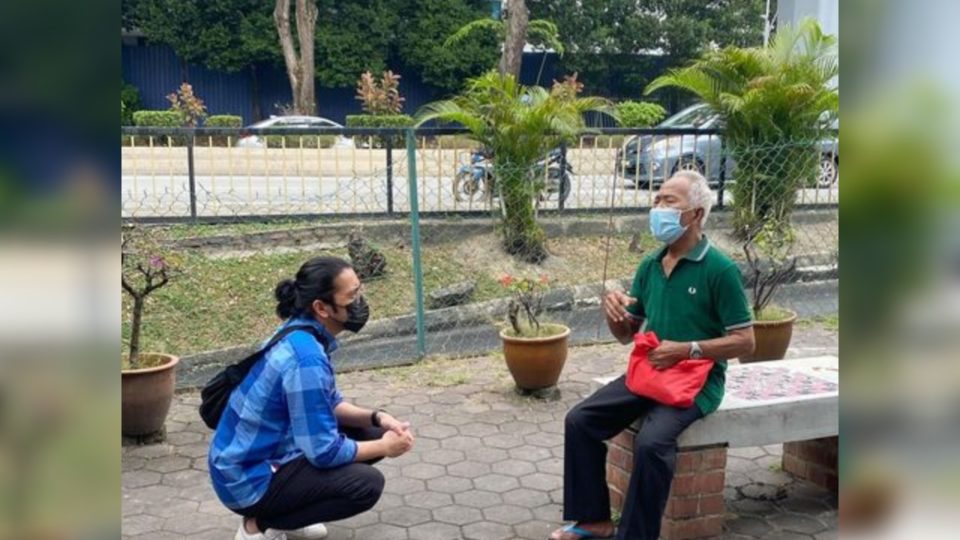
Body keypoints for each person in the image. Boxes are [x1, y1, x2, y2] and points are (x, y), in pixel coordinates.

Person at [550, 171, 756, 540]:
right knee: (580, 420)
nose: (658, 207)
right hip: (650, 372)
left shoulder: (720, 269)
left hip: (698, 382)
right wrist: (614, 314)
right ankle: (594, 520)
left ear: (695, 214)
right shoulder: (650, 264)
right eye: (657, 200)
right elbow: (626, 335)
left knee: (652, 443)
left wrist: (688, 349)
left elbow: (745, 341)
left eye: (669, 200)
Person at [208, 256, 415, 540]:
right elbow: (324, 451)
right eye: (352, 296)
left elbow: (329, 404)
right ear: (321, 307)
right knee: (365, 485)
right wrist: (385, 447)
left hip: (259, 454)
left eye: (360, 291)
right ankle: (258, 525)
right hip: (247, 479)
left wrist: (377, 417)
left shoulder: (301, 331)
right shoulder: (306, 359)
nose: (359, 302)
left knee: (372, 432)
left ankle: (290, 512)